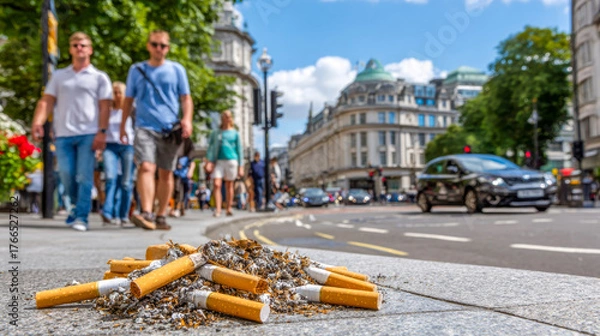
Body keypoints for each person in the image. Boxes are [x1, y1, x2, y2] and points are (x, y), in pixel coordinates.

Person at [31, 32, 112, 231]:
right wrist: (38, 122)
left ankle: (81, 217)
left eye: (83, 45)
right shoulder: (59, 76)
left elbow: (105, 106)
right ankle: (76, 206)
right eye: (75, 45)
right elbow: (47, 101)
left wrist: (102, 132)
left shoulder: (99, 77)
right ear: (70, 49)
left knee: (84, 176)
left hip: (89, 133)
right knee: (65, 174)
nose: (79, 48)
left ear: (90, 49)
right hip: (63, 134)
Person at [120, 30, 193, 230]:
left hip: (170, 129)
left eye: (162, 45)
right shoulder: (136, 70)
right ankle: (146, 213)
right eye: (155, 44)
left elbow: (185, 98)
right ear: (148, 46)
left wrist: (187, 120)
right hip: (144, 127)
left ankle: (161, 215)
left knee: (166, 173)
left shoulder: (177, 70)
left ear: (168, 48)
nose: (158, 49)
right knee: (146, 167)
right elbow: (128, 100)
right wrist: (122, 126)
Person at [100, 82, 135, 226]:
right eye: (115, 92)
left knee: (126, 182)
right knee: (110, 178)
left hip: (127, 146)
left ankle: (123, 214)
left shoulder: (131, 109)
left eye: (120, 92)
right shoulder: (106, 110)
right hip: (110, 146)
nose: (117, 95)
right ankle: (108, 213)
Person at [206, 110, 244, 217]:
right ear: (222, 118)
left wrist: (241, 166)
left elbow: (240, 150)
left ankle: (228, 208)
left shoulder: (235, 133)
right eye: (225, 116)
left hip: (232, 161)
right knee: (217, 184)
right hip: (218, 160)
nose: (227, 118)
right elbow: (211, 147)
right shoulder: (216, 133)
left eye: (229, 116)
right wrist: (209, 161)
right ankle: (218, 209)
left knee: (229, 185)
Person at [170, 137, 195, 217]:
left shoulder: (189, 142)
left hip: (184, 171)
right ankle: (174, 208)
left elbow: (192, 160)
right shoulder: (173, 137)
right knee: (176, 189)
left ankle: (180, 207)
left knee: (184, 189)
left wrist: (190, 170)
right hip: (173, 170)